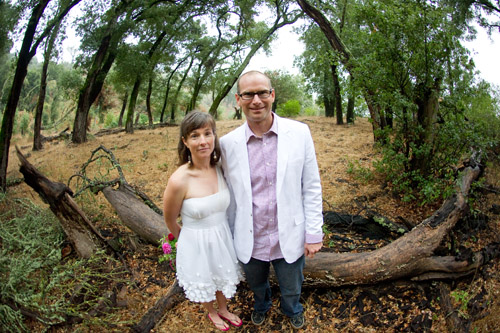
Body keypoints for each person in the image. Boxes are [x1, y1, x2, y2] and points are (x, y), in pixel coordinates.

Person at [220, 70, 324, 330]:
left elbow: (311, 187)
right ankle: (262, 304)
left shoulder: (299, 133)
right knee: (256, 283)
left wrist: (314, 232)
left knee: (292, 284)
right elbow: (224, 194)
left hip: (289, 231)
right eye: (248, 94)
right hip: (249, 234)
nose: (256, 100)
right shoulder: (227, 144)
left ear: (272, 95)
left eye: (262, 93)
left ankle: (292, 308)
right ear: (238, 99)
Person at [163, 111, 244, 331]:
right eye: (195, 136)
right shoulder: (179, 180)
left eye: (207, 134)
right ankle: (211, 312)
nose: (203, 141)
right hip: (195, 240)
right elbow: (170, 219)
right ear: (185, 142)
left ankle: (224, 308)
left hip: (222, 235)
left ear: (214, 136)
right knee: (205, 277)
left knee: (220, 273)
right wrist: (188, 240)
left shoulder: (219, 168)